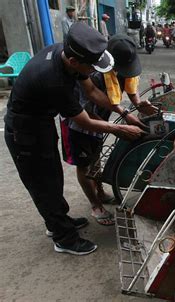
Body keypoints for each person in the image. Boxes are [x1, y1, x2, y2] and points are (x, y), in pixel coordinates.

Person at [4, 23, 143, 256]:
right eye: (92, 67)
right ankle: (64, 238)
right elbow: (84, 121)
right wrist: (119, 130)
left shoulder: (68, 54)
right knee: (43, 184)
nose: (94, 72)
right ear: (74, 63)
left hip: (41, 123)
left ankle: (58, 220)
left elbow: (92, 92)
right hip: (24, 131)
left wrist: (125, 113)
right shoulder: (54, 79)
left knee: (53, 177)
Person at [60, 34, 156, 226]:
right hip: (79, 122)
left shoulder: (122, 71)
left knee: (96, 156)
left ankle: (100, 193)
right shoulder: (92, 74)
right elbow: (83, 112)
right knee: (84, 164)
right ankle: (95, 205)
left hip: (101, 118)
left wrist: (138, 104)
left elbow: (131, 87)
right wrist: (115, 126)